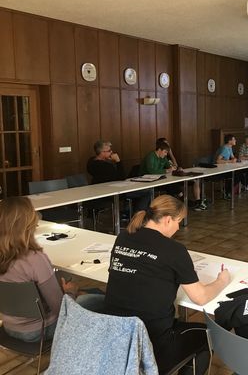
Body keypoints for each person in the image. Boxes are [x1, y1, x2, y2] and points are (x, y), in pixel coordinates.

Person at [104, 195, 230, 374]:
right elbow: (200, 297)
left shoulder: (123, 237)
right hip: (152, 341)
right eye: (179, 221)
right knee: (206, 335)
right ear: (168, 219)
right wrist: (221, 281)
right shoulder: (174, 250)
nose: (179, 227)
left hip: (115, 336)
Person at [0, 197, 104, 342]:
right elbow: (62, 310)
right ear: (28, 224)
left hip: (9, 327)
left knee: (85, 294)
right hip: (41, 330)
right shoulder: (34, 259)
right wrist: (70, 291)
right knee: (103, 301)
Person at [141, 139, 207, 211]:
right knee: (171, 185)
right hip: (146, 180)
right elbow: (151, 171)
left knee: (172, 184)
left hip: (157, 179)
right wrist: (166, 170)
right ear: (159, 150)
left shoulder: (163, 157)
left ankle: (178, 203)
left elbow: (170, 165)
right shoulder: (151, 156)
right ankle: (181, 201)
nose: (166, 154)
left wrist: (175, 168)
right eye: (165, 152)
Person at [87, 140, 150, 213]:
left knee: (137, 192)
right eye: (109, 151)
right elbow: (121, 177)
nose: (111, 152)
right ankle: (138, 216)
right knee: (148, 192)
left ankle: (127, 211)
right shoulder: (105, 166)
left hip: (101, 191)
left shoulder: (91, 162)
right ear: (102, 152)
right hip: (112, 193)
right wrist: (118, 161)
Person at [215, 134, 244, 198]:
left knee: (239, 173)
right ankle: (227, 191)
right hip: (219, 170)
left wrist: (235, 159)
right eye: (234, 139)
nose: (235, 140)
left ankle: (228, 191)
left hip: (226, 168)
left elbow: (232, 157)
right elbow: (218, 161)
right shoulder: (225, 148)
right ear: (229, 141)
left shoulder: (229, 147)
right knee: (237, 175)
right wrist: (230, 161)